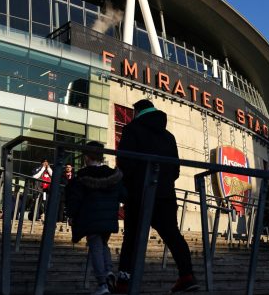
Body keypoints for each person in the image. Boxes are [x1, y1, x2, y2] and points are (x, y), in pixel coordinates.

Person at [116, 99, 199, 293]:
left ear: (137, 111)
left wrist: (129, 185)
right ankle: (187, 276)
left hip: (139, 194)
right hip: (165, 195)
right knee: (172, 236)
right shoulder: (168, 136)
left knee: (132, 239)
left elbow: (125, 162)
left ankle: (123, 282)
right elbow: (175, 169)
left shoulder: (131, 129)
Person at [66, 141, 126, 295]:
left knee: (96, 248)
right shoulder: (113, 175)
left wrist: (71, 215)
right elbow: (124, 194)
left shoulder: (83, 176)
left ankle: (102, 284)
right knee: (104, 244)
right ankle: (108, 272)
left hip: (90, 219)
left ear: (87, 157)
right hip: (108, 218)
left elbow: (76, 198)